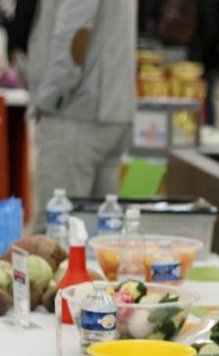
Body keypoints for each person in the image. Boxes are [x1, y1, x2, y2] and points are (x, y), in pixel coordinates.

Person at [27, 0, 136, 234]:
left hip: (77, 114)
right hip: (110, 109)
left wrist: (50, 98)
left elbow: (74, 35)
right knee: (103, 238)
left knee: (55, 237)